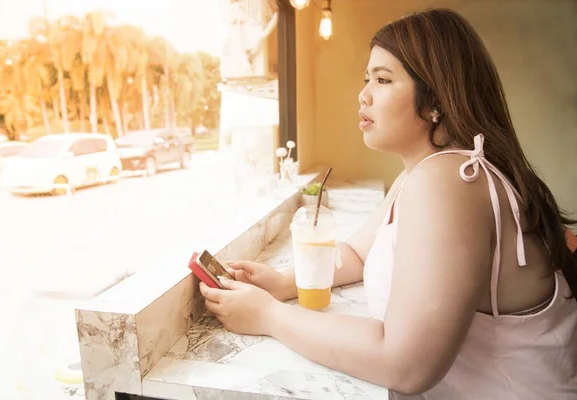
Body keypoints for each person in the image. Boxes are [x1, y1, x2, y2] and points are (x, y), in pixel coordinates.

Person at [200, 8, 577, 399]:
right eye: (368, 79)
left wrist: (269, 315)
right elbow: (358, 255)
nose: (363, 94)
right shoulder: (425, 175)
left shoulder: (449, 182)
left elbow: (405, 365)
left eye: (382, 79)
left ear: (436, 101)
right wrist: (284, 283)